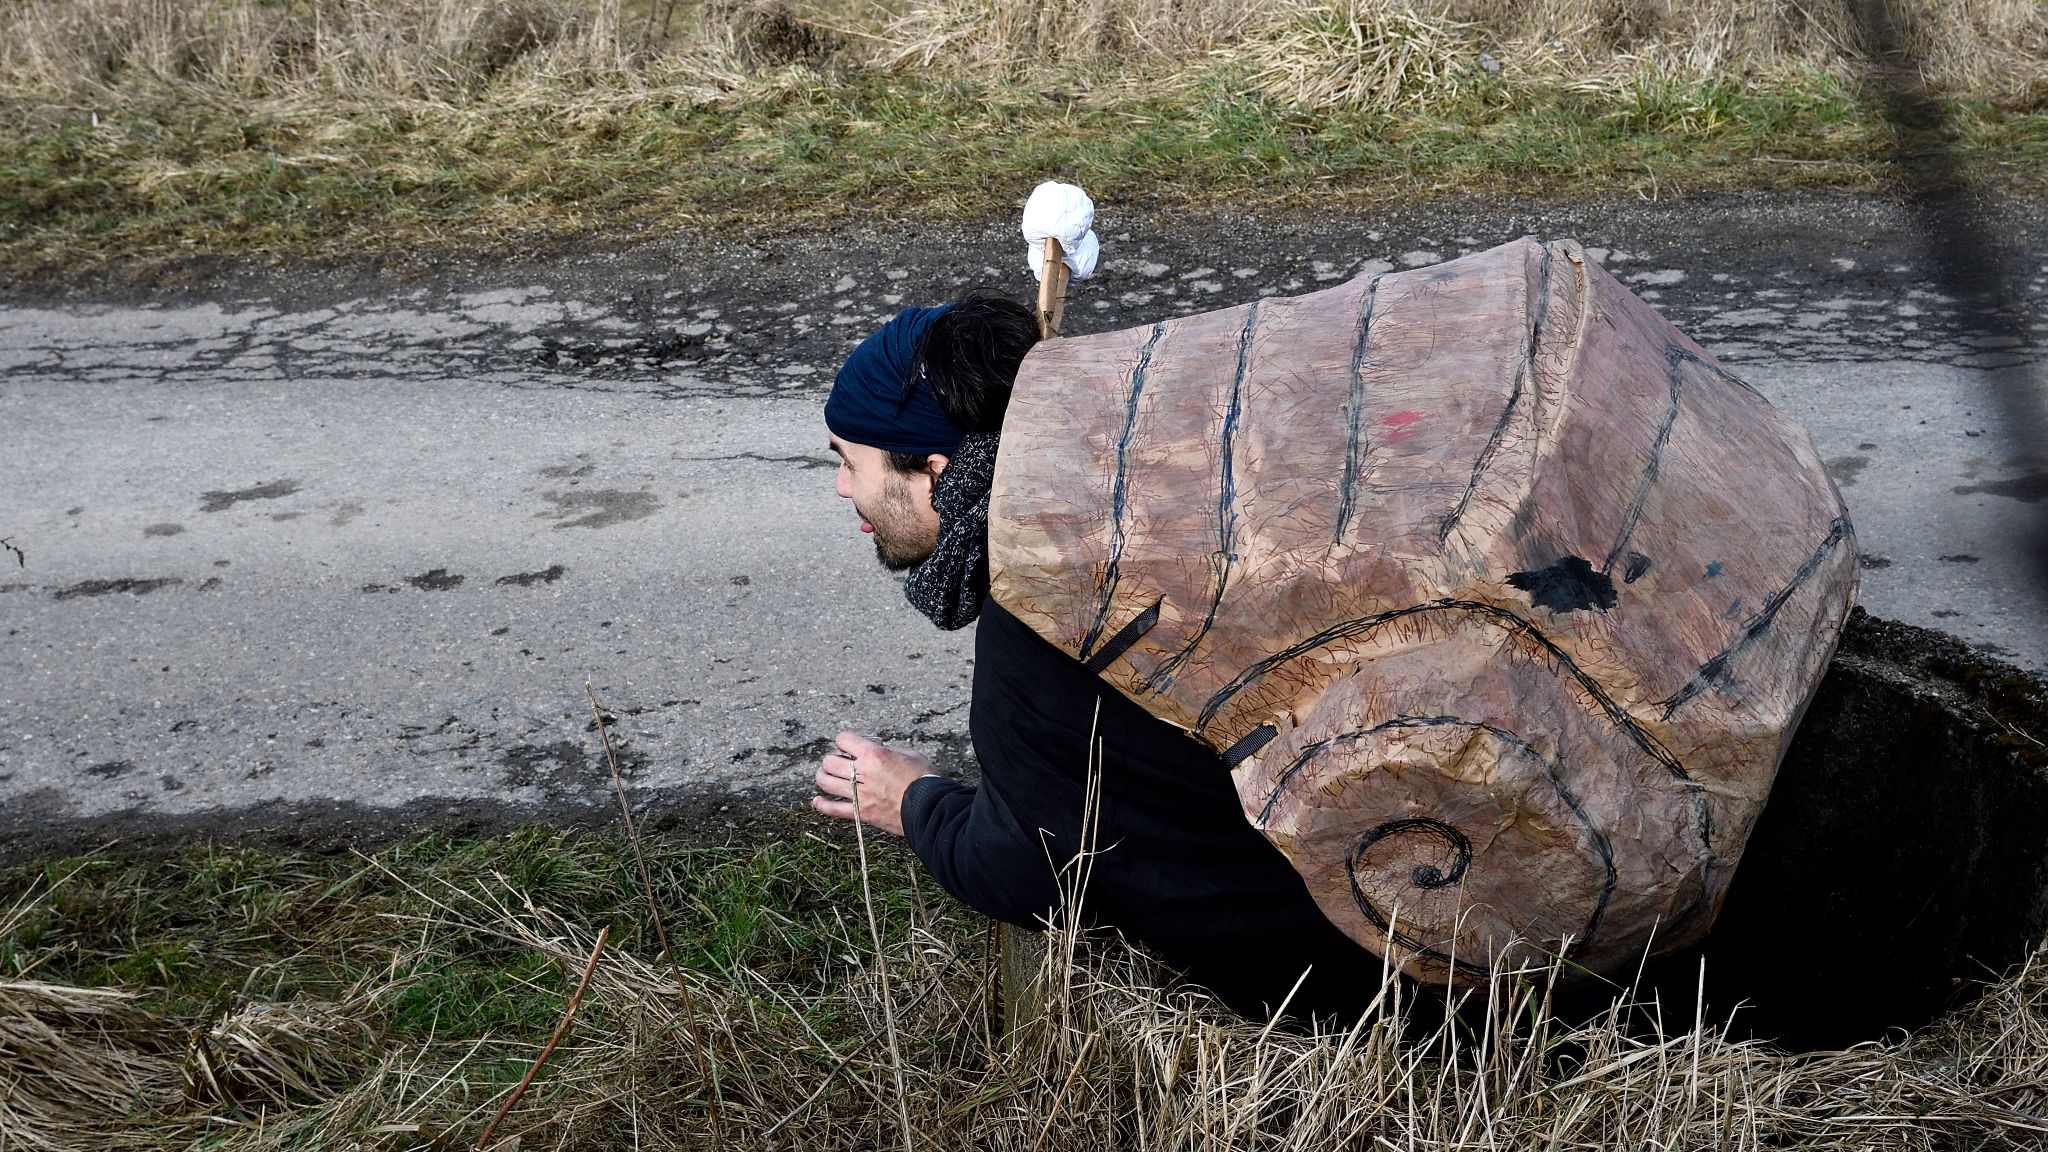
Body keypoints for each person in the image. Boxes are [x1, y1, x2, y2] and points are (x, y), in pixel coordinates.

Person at [810, 291, 1386, 1024]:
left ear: (933, 470)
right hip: (1414, 896)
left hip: (1353, 994)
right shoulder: (1151, 488)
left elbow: (1030, 873)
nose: (842, 488)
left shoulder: (1040, 607)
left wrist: (914, 801)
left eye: (849, 462)